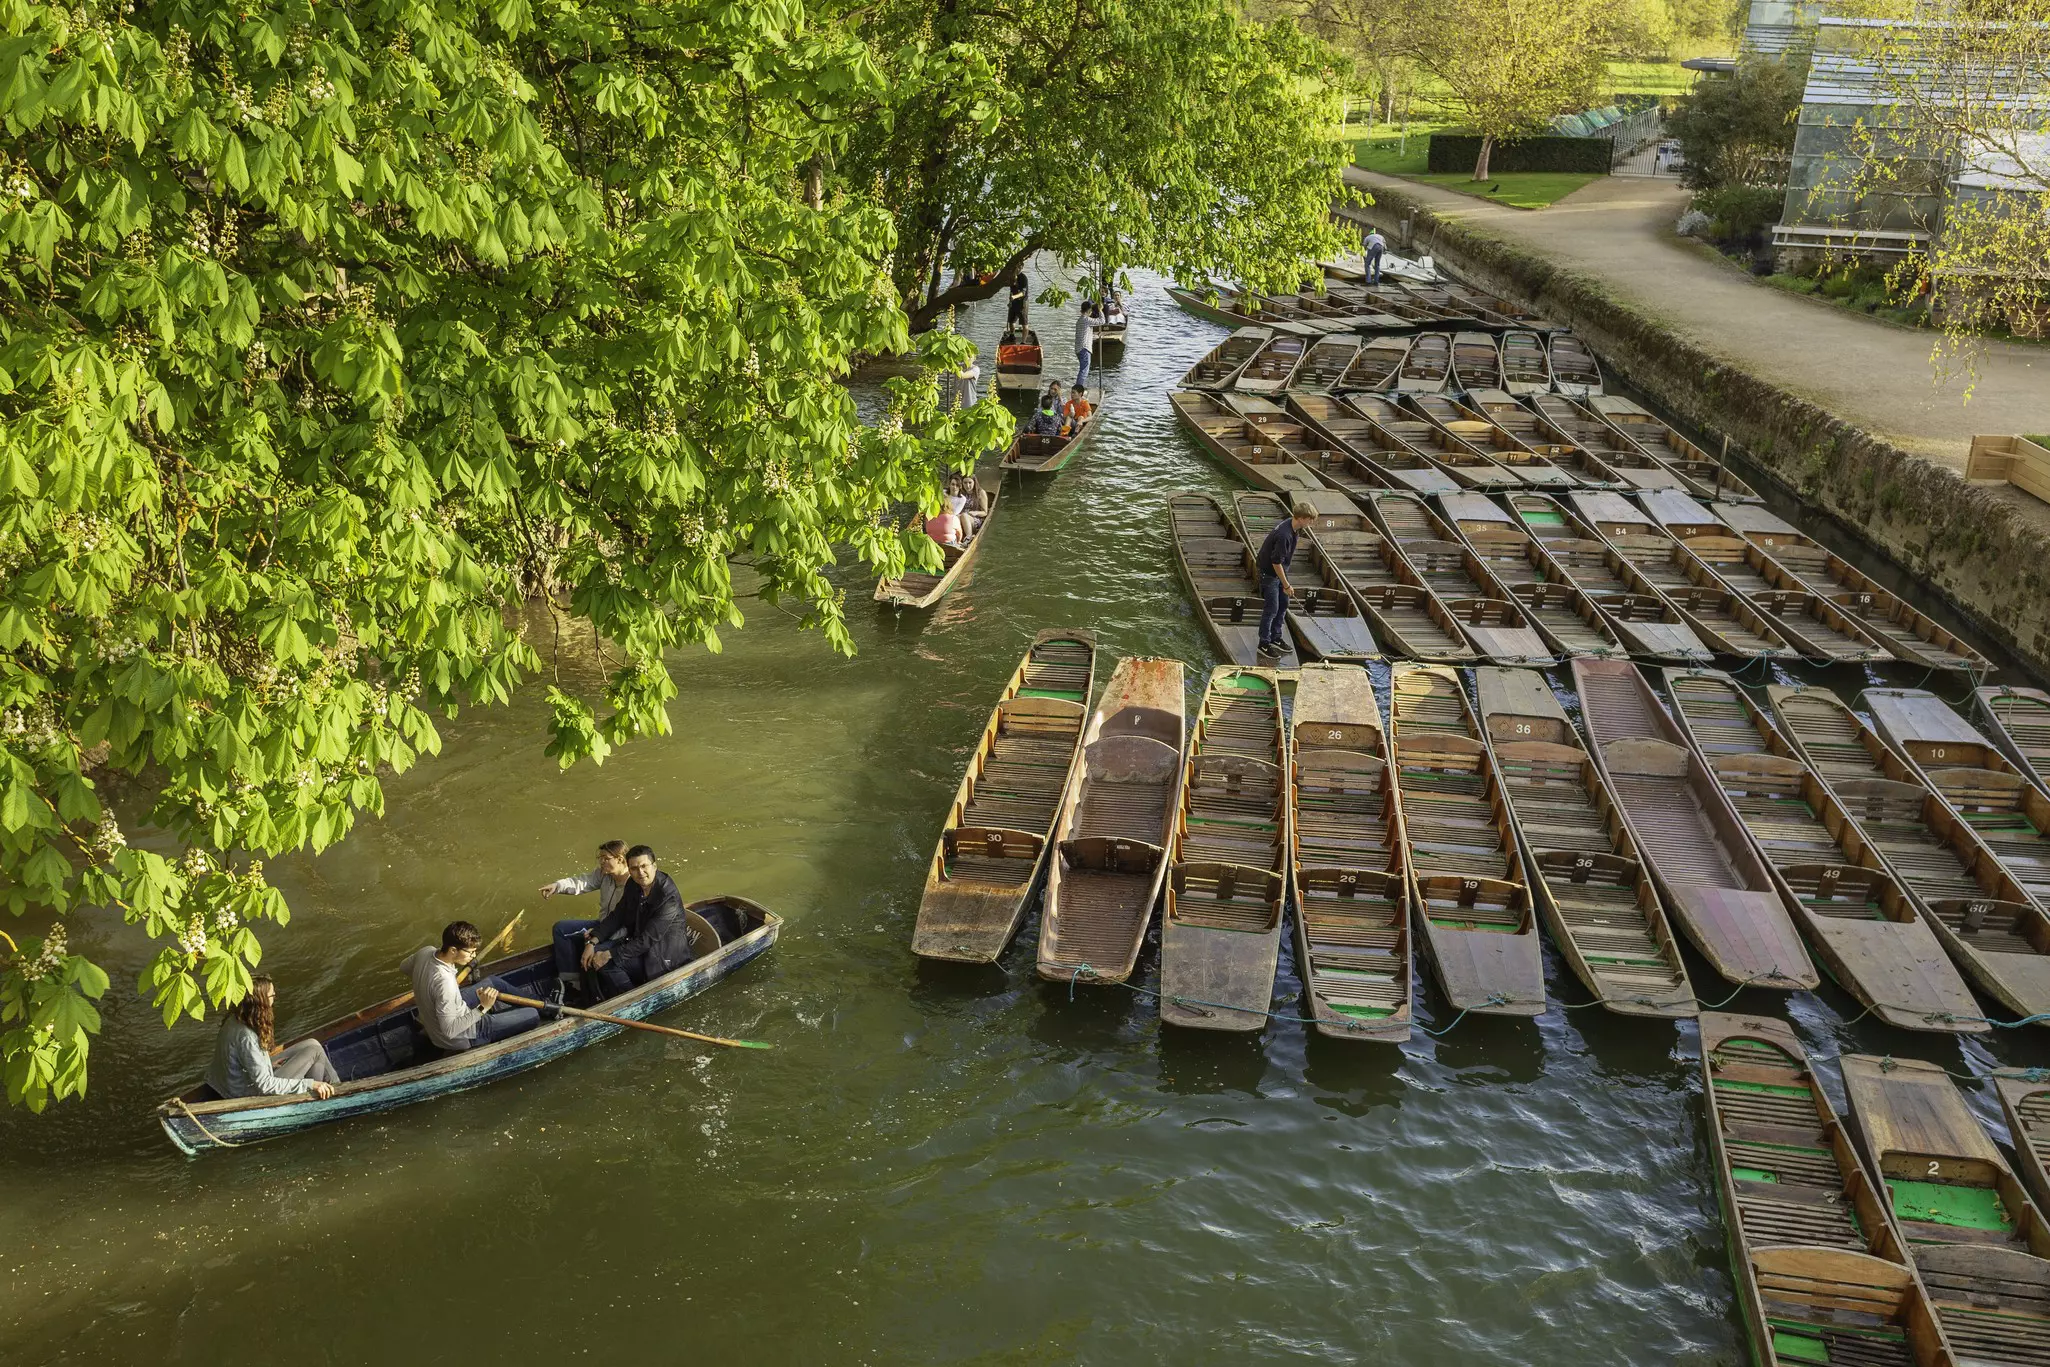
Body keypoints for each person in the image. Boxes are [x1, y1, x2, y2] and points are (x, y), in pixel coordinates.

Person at [404, 921, 545, 1053]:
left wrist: (426, 985)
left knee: (494, 982)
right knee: (532, 1014)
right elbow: (450, 1030)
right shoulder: (446, 984)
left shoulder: (426, 952)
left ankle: (543, 1002)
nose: (473, 956)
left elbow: (404, 967)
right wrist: (484, 1007)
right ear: (453, 950)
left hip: (450, 1011)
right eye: (470, 952)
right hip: (463, 1037)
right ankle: (544, 1009)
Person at [581, 846, 701, 999]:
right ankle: (593, 998)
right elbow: (618, 915)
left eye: (644, 866)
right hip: (638, 944)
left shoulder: (667, 896)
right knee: (592, 954)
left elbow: (649, 939)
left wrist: (610, 955)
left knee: (609, 964)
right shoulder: (633, 884)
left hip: (662, 955)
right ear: (629, 870)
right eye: (635, 868)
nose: (641, 873)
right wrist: (592, 941)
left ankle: (631, 1001)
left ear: (654, 866)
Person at [205, 976, 339, 1100]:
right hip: (246, 1093)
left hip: (231, 1083)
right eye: (272, 995)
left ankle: (334, 1086)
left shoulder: (235, 1018)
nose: (274, 998)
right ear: (260, 1001)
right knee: (314, 1053)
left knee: (312, 1043)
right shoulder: (247, 1037)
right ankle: (328, 1094)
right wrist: (310, 1084)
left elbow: (244, 1057)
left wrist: (267, 1063)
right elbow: (265, 1085)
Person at [542, 839, 629, 997]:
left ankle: (594, 996)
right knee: (560, 929)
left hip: (620, 934)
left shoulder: (632, 884)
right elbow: (582, 882)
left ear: (620, 859)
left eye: (605, 858)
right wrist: (557, 886)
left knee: (593, 952)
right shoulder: (604, 875)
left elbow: (625, 921)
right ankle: (571, 984)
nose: (601, 862)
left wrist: (596, 936)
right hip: (602, 924)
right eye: (600, 858)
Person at [1255, 503, 1316, 659]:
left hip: (1279, 571)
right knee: (1272, 609)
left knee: (1284, 604)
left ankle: (1276, 637)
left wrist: (1285, 583)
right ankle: (1264, 643)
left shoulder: (1294, 527)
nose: (1311, 523)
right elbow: (1276, 562)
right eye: (1310, 520)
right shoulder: (1284, 535)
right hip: (1269, 573)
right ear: (1301, 518)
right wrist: (1286, 584)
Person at [1074, 302, 1099, 388]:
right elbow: (1102, 321)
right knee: (1084, 370)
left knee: (1082, 370)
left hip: (1079, 348)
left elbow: (1085, 332)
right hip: (1084, 348)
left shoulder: (1080, 320)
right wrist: (1101, 310)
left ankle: (1078, 388)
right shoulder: (1086, 319)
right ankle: (1078, 389)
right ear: (1089, 310)